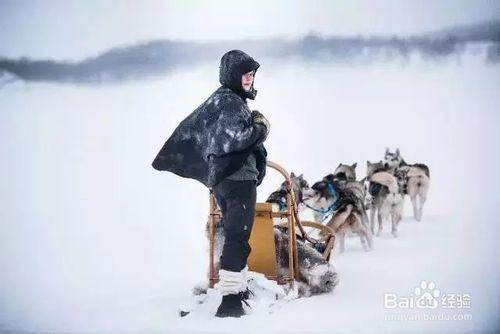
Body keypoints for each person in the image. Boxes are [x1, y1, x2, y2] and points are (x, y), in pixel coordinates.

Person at [152, 50, 270, 317]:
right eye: (245, 74)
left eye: (252, 74)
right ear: (231, 75)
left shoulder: (224, 99)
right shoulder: (229, 102)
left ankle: (237, 288)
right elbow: (236, 139)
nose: (249, 79)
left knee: (235, 236)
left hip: (227, 180)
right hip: (237, 181)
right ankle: (230, 302)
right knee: (237, 238)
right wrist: (261, 126)